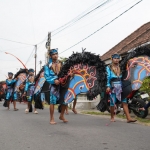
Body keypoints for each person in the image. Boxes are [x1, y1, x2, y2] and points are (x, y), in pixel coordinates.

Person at [106, 53, 137, 123]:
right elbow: (107, 77)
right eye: (115, 58)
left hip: (121, 86)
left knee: (124, 102)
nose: (116, 60)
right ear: (112, 59)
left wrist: (133, 66)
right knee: (112, 103)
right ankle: (112, 117)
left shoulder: (121, 66)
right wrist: (108, 86)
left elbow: (127, 70)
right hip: (113, 86)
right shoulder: (109, 67)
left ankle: (128, 118)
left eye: (118, 58)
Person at [44, 48, 68, 125]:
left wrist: (69, 75)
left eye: (56, 54)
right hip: (54, 85)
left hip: (62, 84)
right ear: (50, 56)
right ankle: (52, 118)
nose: (55, 56)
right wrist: (54, 81)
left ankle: (61, 116)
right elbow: (47, 76)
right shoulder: (47, 65)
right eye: (53, 54)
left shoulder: (61, 63)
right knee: (52, 102)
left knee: (65, 100)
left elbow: (65, 72)